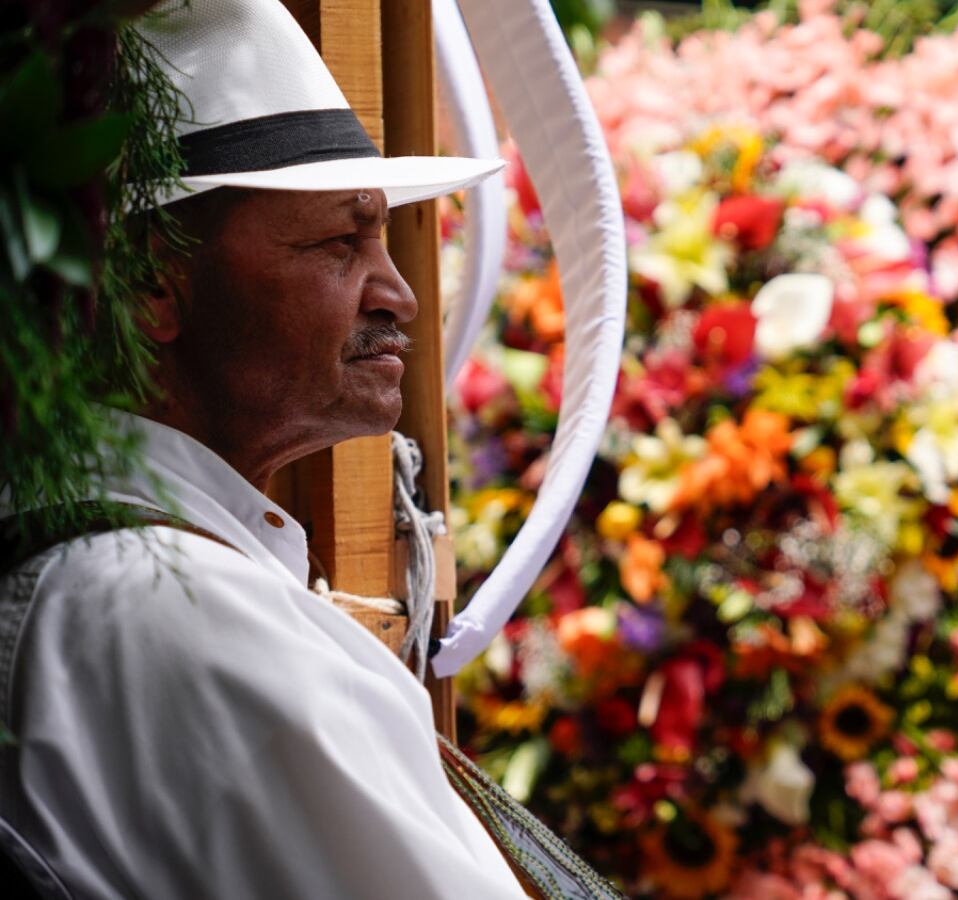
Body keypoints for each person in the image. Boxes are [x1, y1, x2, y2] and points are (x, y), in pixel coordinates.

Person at [0, 1, 616, 897]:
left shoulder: (123, 575)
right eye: (339, 240)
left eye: (382, 236)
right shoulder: (167, 603)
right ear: (147, 290)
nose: (398, 293)